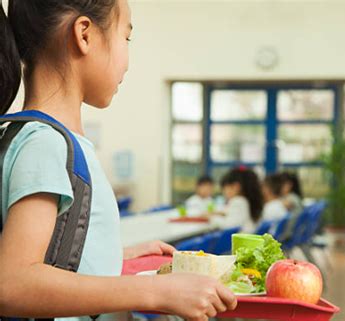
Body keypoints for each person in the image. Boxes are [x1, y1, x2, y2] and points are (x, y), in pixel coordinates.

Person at [0, 1, 236, 320]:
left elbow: (48, 260)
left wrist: (114, 259)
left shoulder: (39, 137)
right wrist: (157, 292)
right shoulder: (46, 144)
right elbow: (12, 283)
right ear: (84, 35)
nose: (127, 59)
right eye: (126, 37)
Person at [209, 167, 263, 233]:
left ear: (236, 186)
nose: (224, 192)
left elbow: (230, 226)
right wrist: (219, 213)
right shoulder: (248, 200)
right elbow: (231, 212)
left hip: (241, 240)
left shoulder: (238, 200)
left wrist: (211, 218)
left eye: (224, 188)